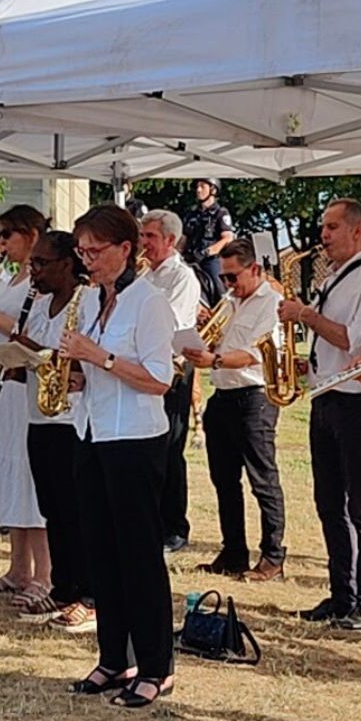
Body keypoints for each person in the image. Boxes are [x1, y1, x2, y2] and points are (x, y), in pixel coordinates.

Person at [59, 204, 177, 708]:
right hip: (94, 430)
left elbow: (159, 379)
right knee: (100, 553)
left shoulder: (149, 302)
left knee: (138, 555)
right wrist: (76, 374)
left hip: (136, 438)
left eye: (96, 251)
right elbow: (97, 369)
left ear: (126, 249)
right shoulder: (89, 301)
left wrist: (98, 357)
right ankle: (114, 656)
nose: (88, 260)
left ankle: (156, 665)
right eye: (82, 251)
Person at [282, 198, 361, 631]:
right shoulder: (332, 279)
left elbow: (355, 340)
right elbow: (329, 343)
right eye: (323, 227)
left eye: (331, 228)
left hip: (355, 400)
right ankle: (341, 592)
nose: (323, 236)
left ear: (356, 233)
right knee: (329, 502)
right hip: (324, 396)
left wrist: (306, 315)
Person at [181, 239, 285, 580]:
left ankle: (273, 555)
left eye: (233, 277)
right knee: (224, 480)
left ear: (254, 269)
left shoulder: (272, 304)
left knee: (262, 479)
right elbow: (216, 341)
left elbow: (257, 353)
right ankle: (233, 551)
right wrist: (205, 336)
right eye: (223, 278)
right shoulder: (230, 300)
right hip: (223, 395)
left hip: (254, 396)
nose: (227, 285)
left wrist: (217, 359)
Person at [0, 205, 52, 605]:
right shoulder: (9, 278)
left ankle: (45, 573)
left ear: (32, 234)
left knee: (29, 476)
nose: (2, 243)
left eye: (8, 235)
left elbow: (34, 333)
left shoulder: (38, 280)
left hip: (22, 384)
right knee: (8, 473)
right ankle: (18, 567)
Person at [16, 230, 93, 630]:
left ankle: (89, 595)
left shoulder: (86, 301)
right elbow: (38, 362)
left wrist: (35, 353)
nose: (35, 271)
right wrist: (15, 360)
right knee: (53, 510)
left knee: (76, 510)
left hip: (71, 420)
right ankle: (63, 588)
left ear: (67, 264)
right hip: (39, 417)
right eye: (33, 263)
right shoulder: (40, 304)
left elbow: (85, 361)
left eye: (41, 263)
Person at [140, 209, 202, 554]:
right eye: (143, 236)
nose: (143, 243)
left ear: (169, 240)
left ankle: (175, 526)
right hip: (148, 369)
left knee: (170, 450)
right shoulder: (146, 275)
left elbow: (172, 323)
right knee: (152, 450)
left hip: (172, 369)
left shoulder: (182, 278)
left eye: (150, 237)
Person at [183, 178, 235, 304]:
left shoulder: (221, 213)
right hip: (190, 259)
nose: (198, 190)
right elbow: (183, 239)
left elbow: (227, 238)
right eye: (197, 187)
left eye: (202, 186)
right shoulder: (192, 215)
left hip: (210, 260)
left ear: (213, 190)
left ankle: (224, 306)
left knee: (217, 285)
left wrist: (207, 252)